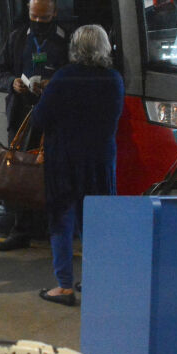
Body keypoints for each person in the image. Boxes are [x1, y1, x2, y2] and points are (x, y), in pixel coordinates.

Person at [31, 25, 124, 306]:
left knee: (61, 221)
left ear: (75, 48)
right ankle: (96, 280)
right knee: (96, 222)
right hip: (99, 161)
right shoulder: (114, 79)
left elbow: (39, 119)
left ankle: (64, 287)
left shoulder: (63, 77)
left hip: (64, 160)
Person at [0, 0, 68, 251]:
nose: (38, 23)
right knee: (20, 173)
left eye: (44, 18)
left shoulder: (66, 41)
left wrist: (53, 84)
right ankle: (20, 230)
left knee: (52, 173)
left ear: (55, 13)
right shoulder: (17, 38)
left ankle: (52, 229)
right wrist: (12, 83)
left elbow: (74, 76)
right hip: (21, 114)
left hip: (53, 118)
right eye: (34, 17)